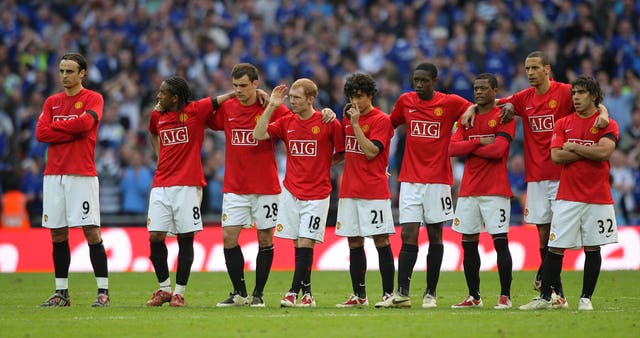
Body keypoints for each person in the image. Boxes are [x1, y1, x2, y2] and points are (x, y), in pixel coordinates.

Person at [461, 51, 609, 307]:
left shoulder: (564, 92)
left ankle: (549, 281)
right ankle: (556, 293)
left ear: (547, 69)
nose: (529, 72)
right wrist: (472, 107)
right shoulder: (522, 98)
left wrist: (604, 112)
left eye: (534, 68)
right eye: (527, 68)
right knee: (542, 231)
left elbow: (593, 98)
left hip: (562, 173)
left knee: (558, 232)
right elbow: (491, 101)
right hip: (536, 174)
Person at [209, 63, 335, 307]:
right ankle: (239, 293)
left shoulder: (276, 109)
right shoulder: (227, 108)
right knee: (228, 237)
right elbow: (201, 115)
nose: (238, 90)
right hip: (235, 185)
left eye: (243, 86)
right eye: (235, 86)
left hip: (266, 186)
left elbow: (304, 122)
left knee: (266, 239)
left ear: (255, 85)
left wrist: (326, 112)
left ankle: (258, 294)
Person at [376, 62, 472, 308]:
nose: (419, 85)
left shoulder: (449, 103)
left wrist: (470, 112)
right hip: (409, 180)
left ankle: (430, 293)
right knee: (408, 233)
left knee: (434, 235)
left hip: (438, 181)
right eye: (416, 80)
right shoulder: (406, 101)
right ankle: (402, 293)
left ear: (434, 81)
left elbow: (473, 108)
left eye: (424, 81)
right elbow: (389, 124)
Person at [519, 75, 619, 311]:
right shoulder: (563, 123)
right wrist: (588, 150)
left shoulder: (607, 124)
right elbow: (556, 156)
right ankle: (545, 297)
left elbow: (605, 153)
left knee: (593, 248)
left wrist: (574, 146)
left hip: (598, 197)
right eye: (574, 93)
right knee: (555, 248)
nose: (575, 97)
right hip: (567, 196)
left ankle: (586, 299)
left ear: (593, 96)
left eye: (581, 93)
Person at [144, 76, 235, 307]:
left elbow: (219, 100)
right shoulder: (157, 115)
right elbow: (153, 132)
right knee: (155, 236)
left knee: (186, 238)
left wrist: (242, 94)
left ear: (175, 98)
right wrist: (159, 155)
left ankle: (179, 292)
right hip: (161, 184)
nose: (158, 96)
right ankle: (164, 288)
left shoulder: (195, 111)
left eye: (163, 93)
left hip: (187, 185)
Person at [254, 79, 345, 308]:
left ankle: (292, 292)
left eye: (296, 97)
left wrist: (324, 164)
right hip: (292, 192)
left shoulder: (327, 122)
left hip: (318, 193)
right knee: (298, 244)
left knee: (306, 242)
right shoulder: (287, 122)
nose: (292, 101)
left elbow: (343, 151)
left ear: (310, 99)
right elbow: (258, 133)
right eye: (291, 97)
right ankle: (308, 295)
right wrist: (272, 105)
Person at [35, 52, 110, 307]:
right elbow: (40, 133)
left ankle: (103, 291)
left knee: (91, 231)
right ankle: (61, 293)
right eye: (62, 71)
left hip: (81, 174)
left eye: (70, 71)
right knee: (57, 233)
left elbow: (84, 126)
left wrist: (57, 130)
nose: (64, 76)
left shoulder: (93, 98)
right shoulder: (51, 102)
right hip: (53, 175)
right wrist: (70, 131)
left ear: (82, 73)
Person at [448, 73, 516, 309]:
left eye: (484, 88)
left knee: (500, 243)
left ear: (495, 90)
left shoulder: (504, 115)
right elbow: (451, 148)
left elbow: (498, 151)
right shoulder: (467, 117)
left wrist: (470, 146)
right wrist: (479, 142)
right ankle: (474, 296)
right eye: (476, 88)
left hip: (495, 190)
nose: (478, 92)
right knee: (468, 243)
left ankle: (505, 295)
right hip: (468, 190)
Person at [334, 73, 395, 308]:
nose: (355, 101)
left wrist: (357, 124)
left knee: (381, 240)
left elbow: (370, 152)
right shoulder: (347, 118)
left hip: (374, 191)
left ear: (370, 95)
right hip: (350, 190)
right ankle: (359, 296)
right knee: (354, 243)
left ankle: (388, 294)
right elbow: (344, 153)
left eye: (359, 96)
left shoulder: (381, 120)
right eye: (351, 97)